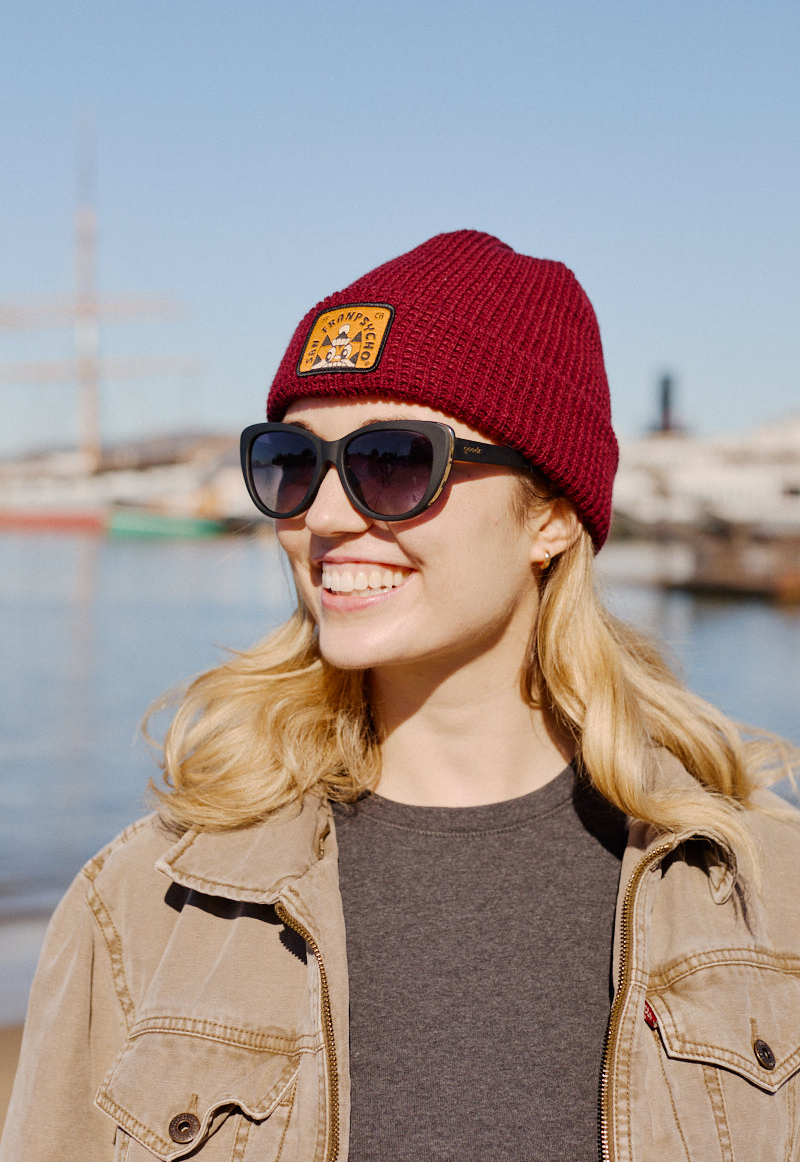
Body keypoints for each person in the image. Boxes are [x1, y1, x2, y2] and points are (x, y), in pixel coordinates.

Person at [2, 229, 799, 1162]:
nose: (327, 517)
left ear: (548, 514)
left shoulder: (763, 889)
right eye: (292, 464)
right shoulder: (144, 905)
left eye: (394, 462)